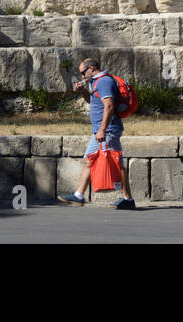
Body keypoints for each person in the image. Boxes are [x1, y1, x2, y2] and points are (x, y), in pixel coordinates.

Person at [58, 57, 135, 209]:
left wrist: (102, 130)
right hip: (104, 130)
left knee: (115, 163)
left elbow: (109, 106)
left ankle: (127, 199)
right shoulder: (96, 83)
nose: (82, 76)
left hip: (108, 130)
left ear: (91, 68)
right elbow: (94, 102)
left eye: (83, 72)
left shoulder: (104, 81)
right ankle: (79, 196)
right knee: (90, 160)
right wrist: (83, 91)